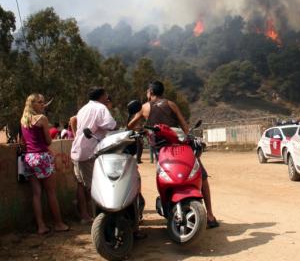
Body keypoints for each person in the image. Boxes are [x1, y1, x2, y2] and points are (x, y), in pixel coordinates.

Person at [128, 80, 219, 228]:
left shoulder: (144, 107)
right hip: (180, 146)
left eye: (147, 92)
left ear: (150, 92)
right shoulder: (171, 104)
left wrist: (144, 130)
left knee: (164, 178)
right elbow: (184, 126)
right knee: (201, 176)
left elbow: (131, 125)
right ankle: (209, 215)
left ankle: (167, 208)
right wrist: (188, 138)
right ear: (162, 92)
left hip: (161, 150)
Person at [19, 93, 70, 235]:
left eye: (43, 102)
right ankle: (59, 223)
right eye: (40, 102)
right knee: (51, 192)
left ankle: (41, 226)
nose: (43, 104)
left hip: (29, 158)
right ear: (32, 104)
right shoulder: (42, 119)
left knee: (36, 194)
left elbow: (24, 142)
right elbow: (48, 141)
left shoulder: (23, 120)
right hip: (42, 157)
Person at [70, 87, 117, 223]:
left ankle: (85, 215)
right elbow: (111, 125)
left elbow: (73, 119)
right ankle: (100, 219)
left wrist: (75, 136)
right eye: (106, 95)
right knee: (95, 186)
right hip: (90, 151)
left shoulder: (84, 108)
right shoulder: (101, 108)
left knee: (81, 184)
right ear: (102, 96)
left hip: (77, 150)